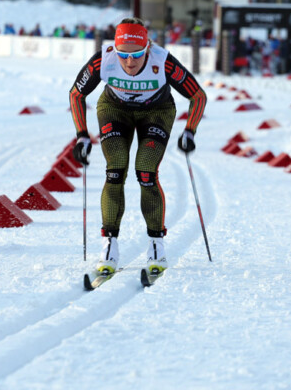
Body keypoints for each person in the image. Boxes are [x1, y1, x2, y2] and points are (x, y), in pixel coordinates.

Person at [68, 17, 207, 277]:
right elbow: (76, 94)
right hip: (114, 109)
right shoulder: (103, 60)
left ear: (148, 48)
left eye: (137, 54)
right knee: (115, 169)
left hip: (156, 111)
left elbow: (198, 96)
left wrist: (190, 131)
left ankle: (156, 246)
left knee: (146, 171)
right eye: (123, 55)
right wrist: (81, 136)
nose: (129, 62)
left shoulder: (162, 61)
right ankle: (109, 245)